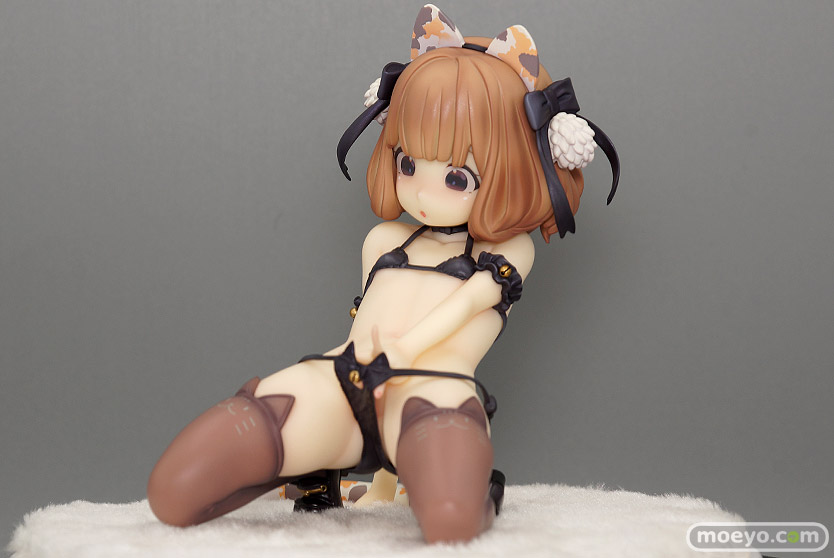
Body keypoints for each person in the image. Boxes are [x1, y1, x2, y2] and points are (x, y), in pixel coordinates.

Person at [147, 4, 618, 544]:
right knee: (176, 490)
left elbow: (466, 307)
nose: (421, 190)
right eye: (408, 164)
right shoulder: (384, 240)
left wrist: (398, 356)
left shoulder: (508, 251)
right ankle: (317, 464)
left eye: (457, 177)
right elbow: (364, 320)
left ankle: (459, 483)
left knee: (450, 518)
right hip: (343, 380)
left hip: (432, 390)